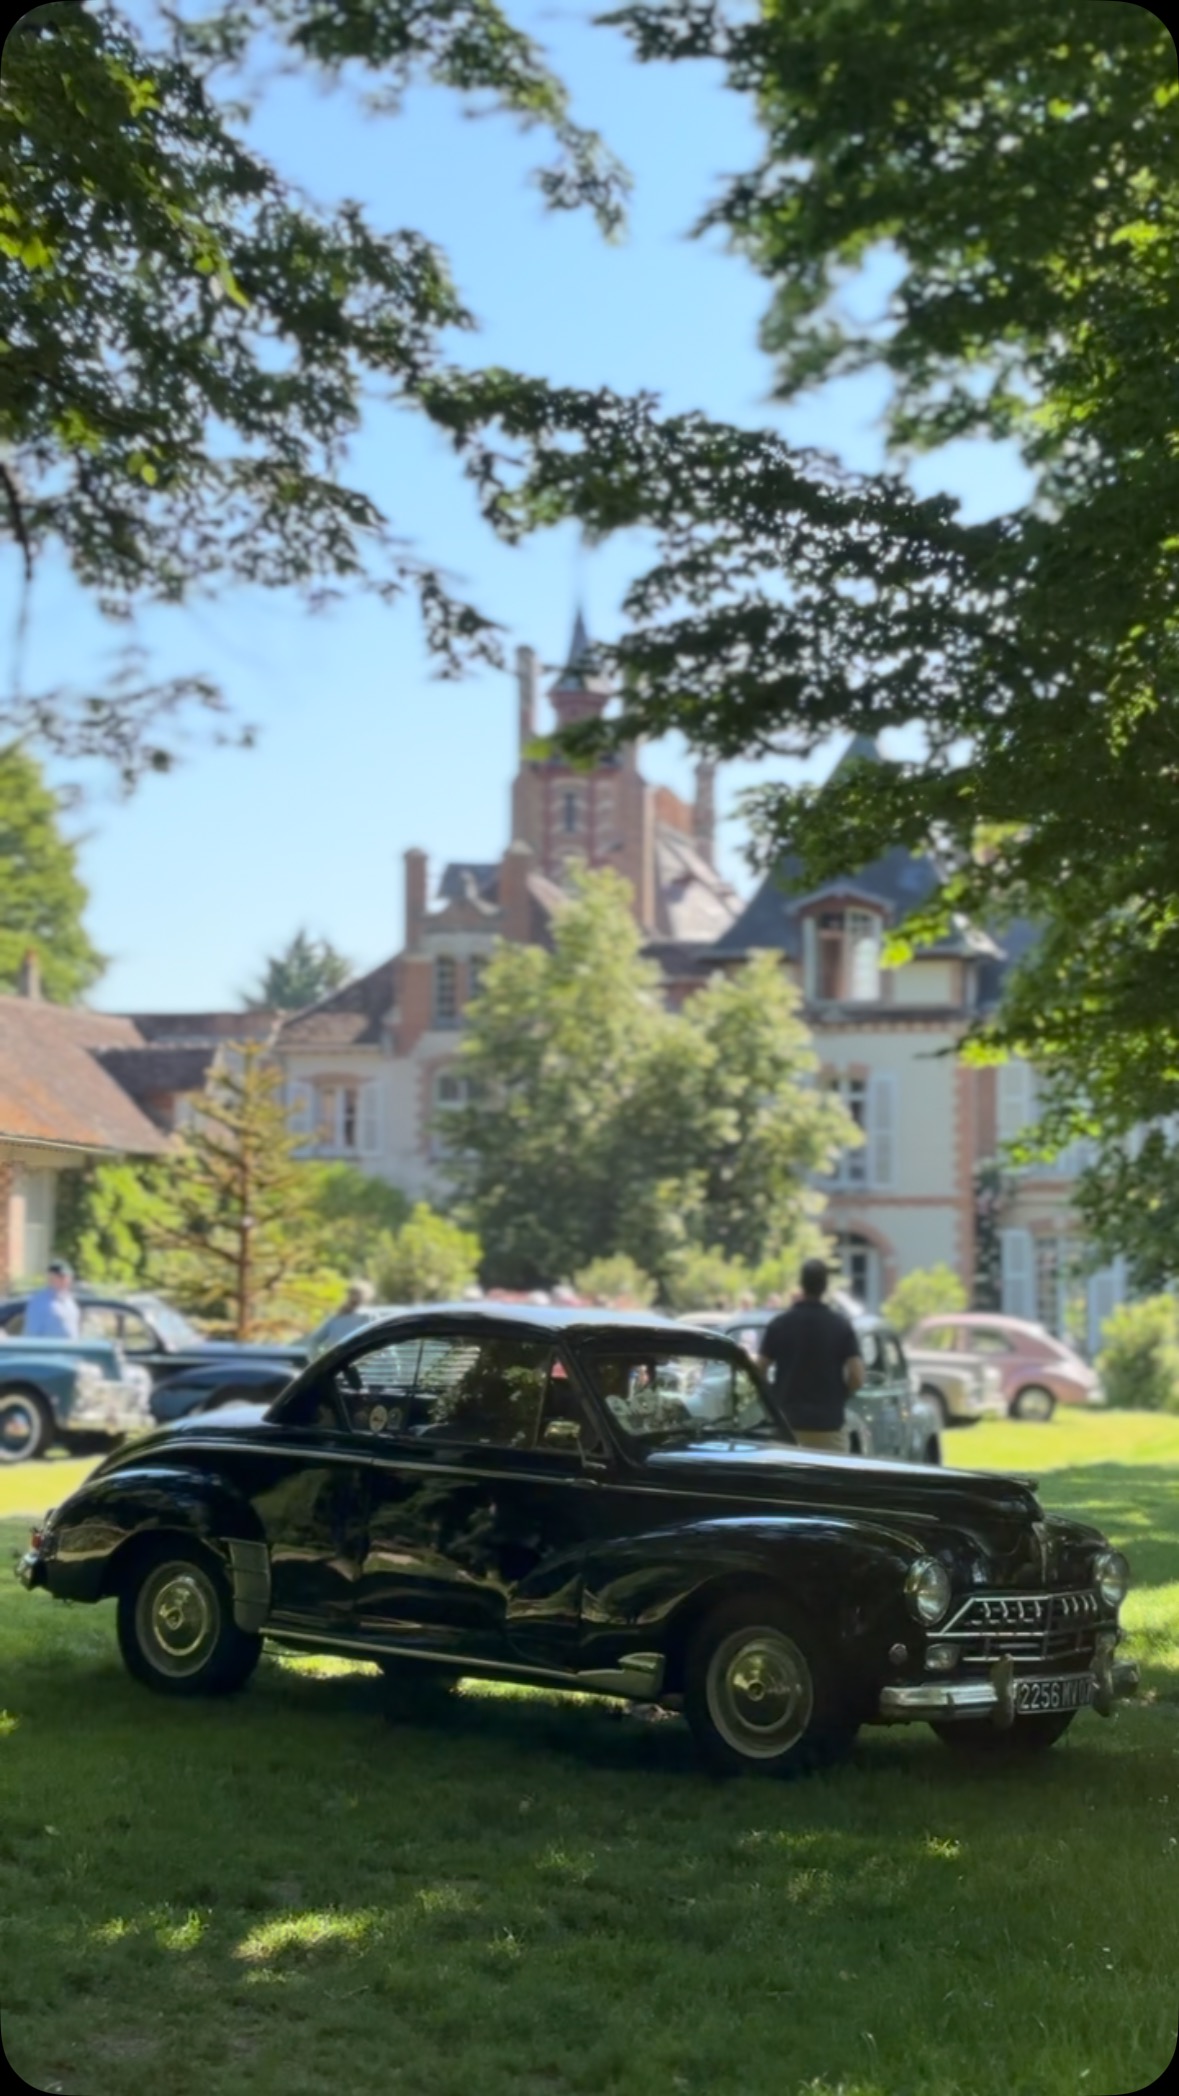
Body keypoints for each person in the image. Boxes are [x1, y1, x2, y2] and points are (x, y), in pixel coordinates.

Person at [755, 1257, 864, 1453]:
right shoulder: (840, 1326)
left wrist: (774, 1394)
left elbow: (758, 1370)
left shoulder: (780, 1324)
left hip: (787, 1425)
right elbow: (857, 1376)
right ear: (825, 1286)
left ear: (802, 1284)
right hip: (829, 1425)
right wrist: (840, 1395)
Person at [24, 1259, 82, 1341]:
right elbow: (31, 1335)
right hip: (50, 1352)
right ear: (50, 1278)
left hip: (72, 1352)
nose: (65, 1280)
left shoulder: (70, 1300)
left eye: (68, 1277)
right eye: (61, 1277)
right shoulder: (39, 1303)